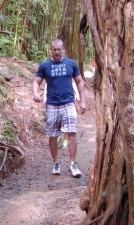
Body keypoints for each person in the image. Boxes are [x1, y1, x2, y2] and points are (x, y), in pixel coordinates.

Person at [33, 39, 87, 178]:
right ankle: (56, 163)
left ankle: (73, 164)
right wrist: (35, 93)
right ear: (51, 50)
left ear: (63, 49)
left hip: (68, 103)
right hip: (52, 104)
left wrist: (83, 101)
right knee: (53, 135)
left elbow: (79, 81)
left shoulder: (71, 64)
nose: (57, 52)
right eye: (54, 49)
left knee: (72, 132)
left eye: (59, 49)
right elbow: (37, 81)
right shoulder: (45, 65)